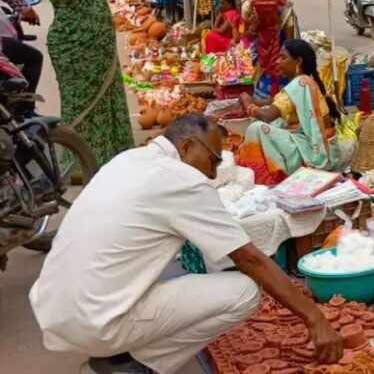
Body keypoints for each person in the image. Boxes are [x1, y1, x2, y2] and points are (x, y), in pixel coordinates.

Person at [30, 115, 342, 374]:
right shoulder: (182, 179)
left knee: (162, 276)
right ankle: (137, 366)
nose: (213, 172)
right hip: (94, 320)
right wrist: (314, 318)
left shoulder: (127, 160)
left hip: (54, 309)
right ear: (187, 145)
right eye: (213, 159)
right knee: (243, 292)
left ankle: (116, 351)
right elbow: (249, 259)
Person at [37, 0, 134, 166]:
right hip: (74, 47)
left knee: (105, 101)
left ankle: (110, 156)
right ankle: (82, 162)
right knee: (82, 103)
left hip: (98, 47)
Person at [237, 39, 340, 185]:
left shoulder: (301, 83)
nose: (278, 61)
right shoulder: (302, 82)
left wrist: (249, 105)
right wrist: (251, 100)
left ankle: (266, 177)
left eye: (283, 57)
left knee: (257, 128)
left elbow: (267, 116)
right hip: (310, 142)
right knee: (267, 124)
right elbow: (273, 102)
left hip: (314, 150)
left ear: (298, 61)